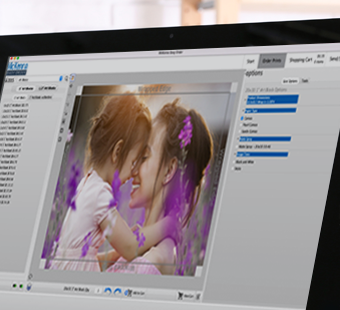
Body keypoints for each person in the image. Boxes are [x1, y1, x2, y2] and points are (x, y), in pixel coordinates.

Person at [46, 93, 175, 271]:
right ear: (117, 152)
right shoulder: (100, 194)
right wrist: (167, 225)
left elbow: (84, 259)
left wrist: (115, 255)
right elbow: (131, 248)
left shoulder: (88, 183)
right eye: (134, 160)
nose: (134, 171)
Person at [106, 99, 215, 276]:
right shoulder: (142, 245)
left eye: (144, 156)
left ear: (169, 171)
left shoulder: (150, 262)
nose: (132, 169)